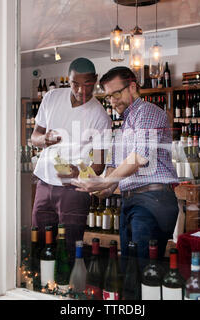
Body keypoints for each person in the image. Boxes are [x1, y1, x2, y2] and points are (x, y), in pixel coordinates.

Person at [72, 66, 179, 270]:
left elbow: (139, 157)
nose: (112, 101)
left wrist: (105, 181)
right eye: (108, 97)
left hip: (152, 201)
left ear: (132, 87)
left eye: (116, 94)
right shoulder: (122, 127)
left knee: (142, 271)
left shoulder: (147, 112)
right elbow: (113, 174)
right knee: (129, 271)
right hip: (131, 201)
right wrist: (99, 188)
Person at [30, 58, 112, 262]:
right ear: (69, 79)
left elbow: (100, 163)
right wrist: (45, 140)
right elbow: (34, 137)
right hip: (43, 182)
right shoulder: (51, 98)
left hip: (74, 190)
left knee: (68, 247)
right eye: (76, 83)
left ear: (96, 80)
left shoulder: (101, 116)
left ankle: (67, 289)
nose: (81, 90)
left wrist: (80, 172)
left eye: (88, 84)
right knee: (38, 242)